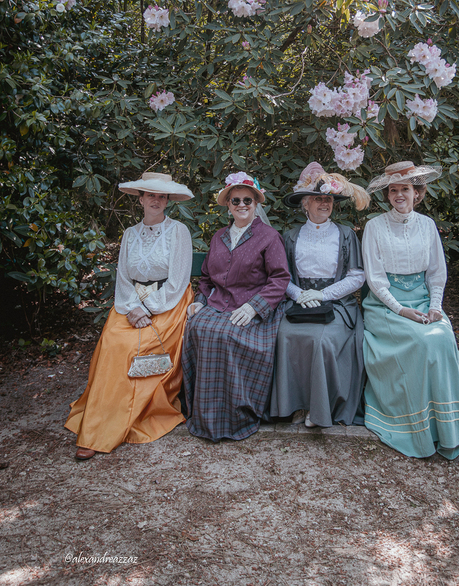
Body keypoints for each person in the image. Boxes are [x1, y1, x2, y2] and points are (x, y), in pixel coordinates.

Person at [362, 161, 459, 459]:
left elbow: (436, 273)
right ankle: (414, 427)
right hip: (385, 305)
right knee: (420, 340)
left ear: (417, 192)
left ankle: (447, 428)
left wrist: (434, 307)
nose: (399, 195)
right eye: (393, 190)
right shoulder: (374, 226)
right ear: (388, 195)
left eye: (405, 189)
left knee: (441, 336)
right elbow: (376, 281)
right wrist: (401, 310)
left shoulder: (428, 225)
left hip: (422, 299)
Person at [65, 172, 194, 459]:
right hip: (131, 302)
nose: (156, 200)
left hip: (168, 304)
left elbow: (178, 282)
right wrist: (133, 308)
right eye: (150, 194)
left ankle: (118, 423)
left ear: (168, 200)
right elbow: (123, 278)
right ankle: (100, 419)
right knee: (114, 341)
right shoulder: (129, 234)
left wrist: (148, 309)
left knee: (135, 347)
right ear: (141, 198)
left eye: (161, 195)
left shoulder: (178, 232)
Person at [182, 172, 290, 442]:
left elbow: (280, 278)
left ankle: (236, 416)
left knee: (228, 335)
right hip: (218, 303)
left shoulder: (269, 237)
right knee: (197, 327)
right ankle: (202, 414)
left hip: (253, 306)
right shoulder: (218, 236)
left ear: (256, 204)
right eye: (236, 201)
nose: (242, 205)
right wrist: (199, 301)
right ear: (228, 206)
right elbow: (206, 277)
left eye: (248, 200)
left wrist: (255, 307)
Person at [270, 162, 370, 428]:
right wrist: (299, 294)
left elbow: (357, 277)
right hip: (299, 302)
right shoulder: (290, 237)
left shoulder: (346, 235)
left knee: (321, 341)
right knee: (285, 335)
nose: (324, 203)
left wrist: (323, 294)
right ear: (305, 204)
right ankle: (295, 406)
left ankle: (320, 408)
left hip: (337, 305)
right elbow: (282, 276)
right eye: (317, 199)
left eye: (328, 199)